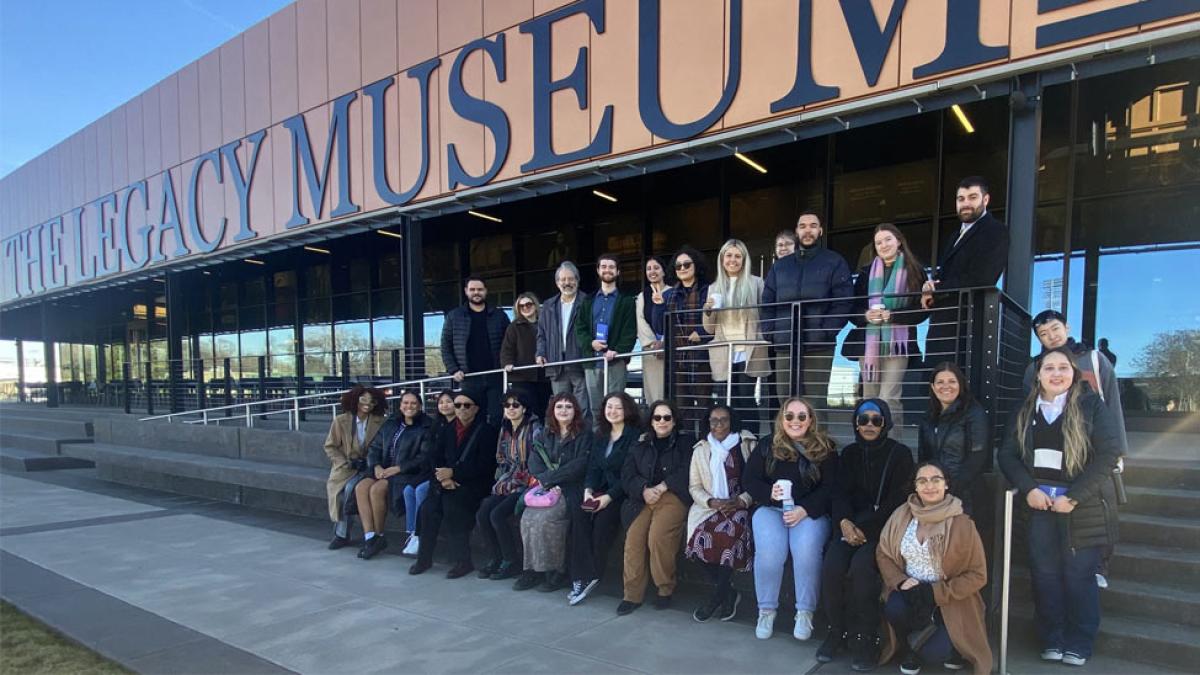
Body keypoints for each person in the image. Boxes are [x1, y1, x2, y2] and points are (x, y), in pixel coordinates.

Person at [998, 347, 1123, 667]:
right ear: (1037, 375)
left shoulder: (1091, 404)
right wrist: (1029, 489)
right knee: (1045, 575)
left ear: (1073, 372)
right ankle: (1052, 638)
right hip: (1039, 506)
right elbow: (1008, 455)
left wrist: (1075, 496)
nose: (1056, 373)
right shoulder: (1025, 409)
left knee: (1079, 576)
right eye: (1049, 368)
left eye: (1063, 367)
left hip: (1080, 507)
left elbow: (1109, 454)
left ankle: (1079, 642)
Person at [1024, 310, 1128, 588]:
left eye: (1055, 329)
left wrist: (1118, 450)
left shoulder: (1094, 359)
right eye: (1043, 334)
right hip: (1055, 453)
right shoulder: (1034, 367)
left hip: (1097, 444)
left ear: (1067, 327)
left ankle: (1100, 567)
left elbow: (1112, 404)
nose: (1051, 337)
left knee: (1102, 506)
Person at [820, 399, 915, 670]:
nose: (869, 425)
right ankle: (837, 631)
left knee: (863, 568)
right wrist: (844, 523)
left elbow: (898, 501)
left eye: (876, 420)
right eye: (864, 420)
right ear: (856, 424)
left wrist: (864, 529)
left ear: (885, 423)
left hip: (882, 532)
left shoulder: (900, 455)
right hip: (850, 528)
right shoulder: (848, 454)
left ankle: (867, 638)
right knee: (832, 565)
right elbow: (838, 494)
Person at [876, 461, 992, 675]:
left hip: (949, 600)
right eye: (922, 481)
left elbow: (978, 575)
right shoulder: (902, 514)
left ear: (946, 484)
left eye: (936, 479)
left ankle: (941, 647)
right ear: (915, 487)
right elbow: (883, 552)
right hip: (910, 591)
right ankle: (910, 647)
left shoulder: (963, 524)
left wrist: (935, 592)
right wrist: (899, 580)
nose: (929, 486)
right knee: (894, 607)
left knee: (933, 654)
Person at [745, 397, 838, 642]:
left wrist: (804, 509)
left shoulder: (824, 448)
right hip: (771, 510)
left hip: (808, 512)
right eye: (789, 416)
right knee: (769, 554)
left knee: (806, 552)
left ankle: (805, 612)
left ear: (810, 420)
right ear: (781, 419)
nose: (795, 421)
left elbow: (831, 487)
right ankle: (766, 610)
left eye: (801, 416)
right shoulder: (767, 445)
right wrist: (770, 495)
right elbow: (750, 480)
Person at [761, 212, 853, 407]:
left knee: (815, 407)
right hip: (785, 345)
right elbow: (767, 303)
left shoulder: (834, 262)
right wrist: (772, 332)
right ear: (797, 231)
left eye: (813, 225)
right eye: (802, 226)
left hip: (819, 346)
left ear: (820, 231)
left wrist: (825, 331)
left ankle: (818, 440)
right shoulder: (780, 267)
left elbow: (843, 301)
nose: (807, 230)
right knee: (786, 404)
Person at [409, 387, 499, 578]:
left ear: (476, 408)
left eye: (467, 405)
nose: (461, 409)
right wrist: (444, 478)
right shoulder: (447, 429)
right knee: (428, 508)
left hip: (474, 485)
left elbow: (485, 465)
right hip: (445, 483)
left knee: (453, 507)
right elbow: (434, 458)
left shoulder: (486, 431)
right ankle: (424, 559)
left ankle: (463, 561)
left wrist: (455, 474)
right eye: (458, 405)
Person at [617, 399, 695, 615]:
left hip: (671, 496)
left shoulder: (686, 442)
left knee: (658, 537)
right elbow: (627, 475)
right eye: (657, 417)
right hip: (643, 499)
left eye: (667, 417)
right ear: (650, 421)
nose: (662, 421)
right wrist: (642, 490)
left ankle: (664, 589)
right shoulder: (639, 445)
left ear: (674, 420)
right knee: (633, 541)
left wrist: (662, 486)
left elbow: (687, 470)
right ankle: (631, 595)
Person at [921, 177, 1010, 363]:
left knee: (961, 384)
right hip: (943, 325)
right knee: (934, 382)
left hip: (967, 326)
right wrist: (931, 286)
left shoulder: (995, 231)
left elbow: (983, 277)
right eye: (961, 199)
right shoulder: (955, 235)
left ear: (985, 200)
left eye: (972, 197)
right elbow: (947, 273)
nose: (966, 203)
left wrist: (938, 289)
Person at [846, 224, 927, 427]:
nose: (883, 245)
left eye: (888, 239)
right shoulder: (866, 273)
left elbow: (921, 311)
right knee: (869, 398)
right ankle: (868, 448)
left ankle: (894, 449)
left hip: (897, 346)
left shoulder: (915, 271)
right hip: (869, 345)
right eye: (878, 242)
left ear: (899, 240)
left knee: (889, 398)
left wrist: (892, 315)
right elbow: (851, 308)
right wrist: (866, 315)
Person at [686, 403, 757, 623]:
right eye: (714, 420)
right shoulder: (701, 449)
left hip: (740, 506)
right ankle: (728, 592)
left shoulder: (746, 444)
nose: (719, 425)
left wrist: (740, 500)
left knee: (727, 537)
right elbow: (694, 486)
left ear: (731, 420)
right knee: (696, 544)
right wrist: (712, 501)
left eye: (724, 420)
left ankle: (716, 598)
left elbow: (757, 481)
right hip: (709, 508)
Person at [569, 392, 641, 606]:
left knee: (602, 524)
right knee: (578, 516)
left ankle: (593, 574)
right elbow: (593, 467)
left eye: (618, 407)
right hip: (600, 490)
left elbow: (628, 474)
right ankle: (578, 576)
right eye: (609, 407)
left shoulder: (635, 436)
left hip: (623, 492)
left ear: (627, 410)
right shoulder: (600, 435)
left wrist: (609, 497)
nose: (613, 411)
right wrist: (588, 490)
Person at [514, 392, 590, 592]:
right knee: (527, 519)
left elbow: (581, 464)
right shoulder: (545, 434)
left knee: (546, 521)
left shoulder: (584, 434)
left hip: (571, 488)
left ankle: (557, 571)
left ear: (576, 411)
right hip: (547, 489)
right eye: (559, 406)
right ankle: (531, 570)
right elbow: (534, 461)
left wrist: (553, 479)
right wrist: (547, 481)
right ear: (552, 411)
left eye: (568, 406)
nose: (563, 410)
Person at [703, 239, 770, 432]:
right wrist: (707, 311)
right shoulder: (714, 288)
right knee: (726, 400)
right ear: (722, 259)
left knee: (746, 398)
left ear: (744, 259)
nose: (733, 260)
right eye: (729, 255)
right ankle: (731, 439)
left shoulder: (756, 283)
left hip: (748, 350)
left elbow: (764, 316)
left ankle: (750, 439)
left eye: (737, 256)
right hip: (724, 352)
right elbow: (709, 329)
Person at [475, 390, 542, 580]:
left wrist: (517, 478)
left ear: (524, 408)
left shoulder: (535, 428)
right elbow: (501, 457)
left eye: (516, 405)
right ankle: (495, 558)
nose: (511, 409)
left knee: (498, 515)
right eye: (507, 405)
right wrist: (505, 478)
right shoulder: (505, 429)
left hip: (528, 481)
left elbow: (537, 460)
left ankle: (511, 561)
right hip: (507, 480)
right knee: (482, 513)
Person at [359, 390, 432, 560]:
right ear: (400, 405)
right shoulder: (391, 423)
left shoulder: (426, 426)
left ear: (420, 406)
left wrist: (399, 468)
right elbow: (374, 447)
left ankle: (380, 535)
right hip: (383, 470)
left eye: (413, 403)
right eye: (405, 403)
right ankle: (370, 537)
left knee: (376, 490)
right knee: (361, 487)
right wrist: (376, 465)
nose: (409, 406)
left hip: (406, 473)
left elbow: (424, 457)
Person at [917, 363, 988, 516]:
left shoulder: (974, 413)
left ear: (960, 384)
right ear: (933, 387)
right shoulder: (928, 416)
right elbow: (923, 457)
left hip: (965, 495)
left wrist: (951, 489)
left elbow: (977, 457)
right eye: (940, 382)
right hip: (933, 493)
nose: (946, 386)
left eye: (952, 381)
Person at [655, 247, 713, 434]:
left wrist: (702, 333)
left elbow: (714, 321)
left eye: (687, 264)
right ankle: (686, 448)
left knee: (704, 406)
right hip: (679, 359)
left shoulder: (707, 290)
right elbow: (660, 326)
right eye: (678, 265)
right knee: (681, 408)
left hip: (702, 356)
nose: (682, 268)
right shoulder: (669, 295)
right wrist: (658, 307)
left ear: (696, 266)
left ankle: (705, 445)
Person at [575, 253, 637, 421]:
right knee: (596, 411)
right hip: (592, 362)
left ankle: (616, 445)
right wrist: (590, 343)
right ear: (598, 270)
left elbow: (630, 332)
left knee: (616, 409)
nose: (607, 270)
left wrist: (617, 351)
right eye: (603, 266)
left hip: (615, 362)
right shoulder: (587, 300)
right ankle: (600, 445)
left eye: (611, 267)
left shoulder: (627, 301)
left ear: (617, 272)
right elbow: (579, 328)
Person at [323, 386, 386, 550]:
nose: (367, 404)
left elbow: (382, 447)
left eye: (372, 401)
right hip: (345, 467)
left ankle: (354, 534)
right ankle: (341, 534)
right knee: (341, 494)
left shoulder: (380, 421)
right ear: (354, 400)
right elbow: (330, 446)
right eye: (363, 399)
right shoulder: (341, 421)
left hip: (369, 467)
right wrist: (345, 462)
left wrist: (372, 462)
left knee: (351, 489)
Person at [440, 276, 510, 425]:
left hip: (495, 376)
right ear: (466, 291)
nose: (476, 292)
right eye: (472, 289)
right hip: (468, 377)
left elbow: (509, 343)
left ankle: (495, 448)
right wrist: (453, 370)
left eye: (480, 289)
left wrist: (508, 363)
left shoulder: (499, 315)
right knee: (469, 420)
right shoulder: (454, 316)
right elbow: (445, 346)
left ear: (486, 291)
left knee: (496, 418)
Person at [536, 262, 591, 416]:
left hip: (580, 364)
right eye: (563, 279)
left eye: (571, 279)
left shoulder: (587, 302)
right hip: (556, 364)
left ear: (577, 280)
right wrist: (540, 354)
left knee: (582, 409)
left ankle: (581, 440)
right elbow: (541, 334)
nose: (567, 283)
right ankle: (564, 440)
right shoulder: (548, 306)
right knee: (561, 410)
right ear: (557, 282)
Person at [501, 291, 550, 419]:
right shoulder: (514, 327)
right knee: (528, 412)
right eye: (522, 306)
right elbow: (507, 348)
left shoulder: (546, 324)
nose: (526, 307)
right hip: (523, 377)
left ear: (535, 305)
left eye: (529, 304)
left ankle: (542, 438)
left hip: (544, 375)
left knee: (544, 411)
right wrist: (507, 363)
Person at [635, 256, 669, 404]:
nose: (652, 271)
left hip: (669, 349)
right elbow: (640, 320)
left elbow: (674, 320)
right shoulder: (643, 296)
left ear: (663, 272)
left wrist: (664, 342)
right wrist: (653, 343)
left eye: (656, 268)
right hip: (651, 351)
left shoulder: (673, 292)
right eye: (649, 269)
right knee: (654, 394)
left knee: (671, 390)